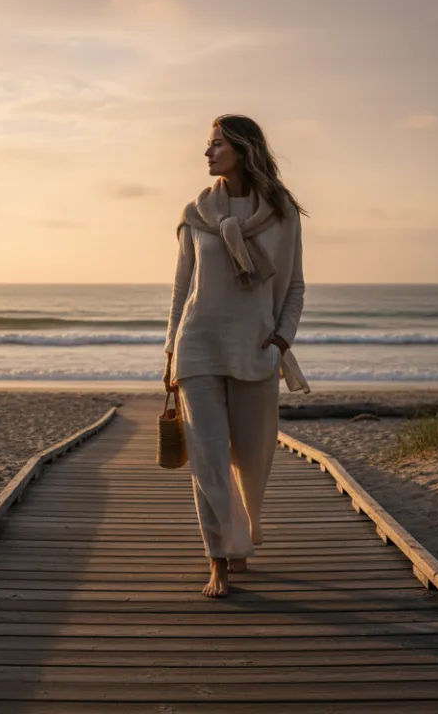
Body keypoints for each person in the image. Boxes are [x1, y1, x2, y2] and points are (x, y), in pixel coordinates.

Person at [163, 114, 310, 598]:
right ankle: (218, 560)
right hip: (197, 348)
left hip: (254, 349)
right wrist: (170, 352)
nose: (206, 153)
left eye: (216, 145)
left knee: (251, 459)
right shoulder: (196, 213)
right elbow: (182, 287)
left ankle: (241, 537)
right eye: (208, 145)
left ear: (243, 150)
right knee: (207, 459)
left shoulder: (281, 214)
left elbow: (294, 287)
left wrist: (282, 338)